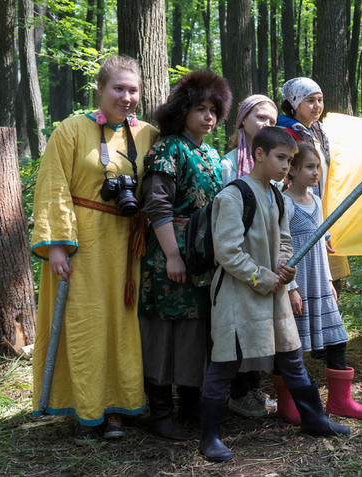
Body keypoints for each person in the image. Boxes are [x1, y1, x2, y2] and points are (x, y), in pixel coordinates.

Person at [200, 127, 349, 463]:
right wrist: (265, 277)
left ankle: (315, 420)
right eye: (280, 158)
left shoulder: (278, 198)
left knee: (292, 359)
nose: (286, 166)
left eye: (290, 160)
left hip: (274, 293)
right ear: (259, 154)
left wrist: (285, 266)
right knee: (225, 365)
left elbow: (284, 241)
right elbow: (227, 251)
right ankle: (209, 437)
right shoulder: (233, 196)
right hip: (237, 297)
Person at [30, 55, 158, 443]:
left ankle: (117, 409)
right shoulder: (70, 131)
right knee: (86, 326)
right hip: (81, 247)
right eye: (118, 88)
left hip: (129, 247)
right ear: (100, 89)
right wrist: (56, 246)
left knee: (122, 327)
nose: (126, 97)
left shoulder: (148, 134)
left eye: (133, 90)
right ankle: (87, 413)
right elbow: (53, 188)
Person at [139, 71, 231, 440]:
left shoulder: (210, 153)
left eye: (213, 109)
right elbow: (156, 205)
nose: (208, 116)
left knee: (197, 330)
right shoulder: (167, 148)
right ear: (183, 110)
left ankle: (191, 407)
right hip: (169, 254)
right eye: (199, 109)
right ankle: (160, 414)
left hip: (203, 254)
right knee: (165, 332)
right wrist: (173, 256)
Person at [280, 143, 362, 423]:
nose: (315, 172)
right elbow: (280, 249)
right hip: (298, 285)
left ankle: (340, 401)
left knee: (338, 340)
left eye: (317, 167)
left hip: (319, 281)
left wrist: (330, 280)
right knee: (289, 346)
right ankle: (289, 403)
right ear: (293, 170)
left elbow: (320, 244)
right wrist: (290, 289)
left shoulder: (317, 202)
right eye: (309, 167)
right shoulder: (284, 203)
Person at [221, 94, 281, 418]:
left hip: (265, 257)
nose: (266, 124)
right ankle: (237, 390)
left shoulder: (274, 166)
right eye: (260, 118)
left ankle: (253, 386)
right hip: (239, 260)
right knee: (238, 323)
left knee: (260, 322)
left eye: (271, 120)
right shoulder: (229, 163)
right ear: (243, 120)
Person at [276, 77, 351, 293]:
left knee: (329, 274)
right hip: (299, 214)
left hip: (323, 210)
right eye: (310, 101)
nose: (317, 106)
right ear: (294, 103)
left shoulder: (319, 132)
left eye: (320, 100)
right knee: (306, 274)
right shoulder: (286, 133)